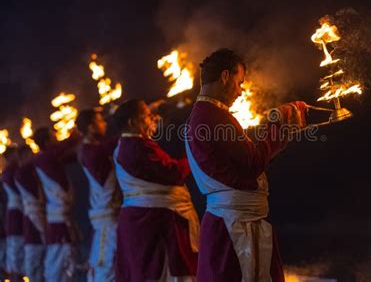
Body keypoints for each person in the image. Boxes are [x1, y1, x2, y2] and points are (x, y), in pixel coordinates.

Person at [186, 48, 308, 281]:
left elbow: (244, 163)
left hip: (227, 222)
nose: (240, 92)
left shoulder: (204, 114)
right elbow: (253, 163)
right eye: (239, 83)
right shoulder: (213, 117)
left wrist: (279, 131)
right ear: (224, 77)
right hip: (233, 227)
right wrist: (280, 123)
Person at [113, 99, 199, 282]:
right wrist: (194, 151)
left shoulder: (126, 142)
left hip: (143, 220)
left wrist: (149, 112)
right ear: (132, 123)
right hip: (154, 222)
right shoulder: (138, 147)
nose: (153, 118)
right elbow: (174, 173)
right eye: (147, 115)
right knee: (164, 273)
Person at [76, 109, 120, 282]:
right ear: (91, 127)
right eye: (101, 121)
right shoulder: (91, 151)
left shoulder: (92, 149)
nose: (105, 124)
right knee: (105, 268)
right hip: (106, 222)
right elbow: (114, 143)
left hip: (110, 217)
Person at [33, 127, 80, 282]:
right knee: (58, 261)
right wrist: (76, 132)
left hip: (61, 216)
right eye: (54, 137)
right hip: (57, 220)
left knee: (68, 258)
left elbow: (71, 154)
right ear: (47, 142)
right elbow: (67, 145)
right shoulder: (44, 158)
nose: (57, 138)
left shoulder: (50, 158)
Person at [15, 145, 46, 282]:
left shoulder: (29, 170)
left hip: (38, 216)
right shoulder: (21, 172)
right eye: (30, 154)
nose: (32, 156)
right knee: (33, 267)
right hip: (32, 219)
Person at [1, 146, 24, 280]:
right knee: (15, 262)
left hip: (12, 223)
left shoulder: (11, 172)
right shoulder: (11, 173)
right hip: (13, 221)